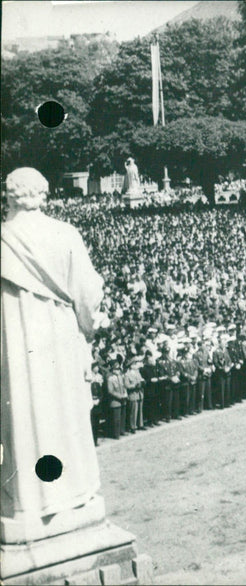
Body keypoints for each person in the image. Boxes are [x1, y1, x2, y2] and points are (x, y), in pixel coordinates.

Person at [1, 168, 107, 542]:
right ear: (44, 195)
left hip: (14, 352)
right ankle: (73, 492)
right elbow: (89, 298)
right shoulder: (64, 235)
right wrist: (90, 329)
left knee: (27, 420)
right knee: (64, 414)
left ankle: (30, 500)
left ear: (9, 196)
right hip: (60, 344)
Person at [123, 355, 144, 432]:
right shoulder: (127, 374)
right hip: (133, 394)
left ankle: (140, 424)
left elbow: (141, 379)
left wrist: (142, 383)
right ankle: (133, 426)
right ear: (131, 366)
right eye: (135, 364)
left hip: (139, 393)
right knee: (133, 411)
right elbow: (127, 385)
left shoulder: (138, 372)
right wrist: (134, 385)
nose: (136, 365)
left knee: (140, 410)